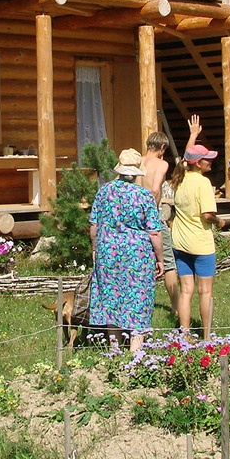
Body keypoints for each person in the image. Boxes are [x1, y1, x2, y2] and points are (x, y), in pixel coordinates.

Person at [89, 148, 166, 351]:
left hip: (108, 251)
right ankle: (136, 351)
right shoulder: (143, 196)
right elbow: (155, 232)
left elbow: (94, 225)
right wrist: (160, 258)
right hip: (137, 255)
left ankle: (115, 347)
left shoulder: (104, 191)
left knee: (111, 296)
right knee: (139, 297)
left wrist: (95, 249)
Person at [170, 116, 227, 340]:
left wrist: (193, 135)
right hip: (201, 245)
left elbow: (185, 158)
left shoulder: (179, 177)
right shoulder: (203, 183)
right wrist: (219, 222)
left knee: (186, 291)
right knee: (205, 292)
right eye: (206, 159)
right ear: (198, 163)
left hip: (180, 242)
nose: (210, 162)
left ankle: (184, 334)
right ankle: (206, 335)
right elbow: (207, 214)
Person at [140, 131, 180, 315]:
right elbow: (155, 188)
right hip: (151, 214)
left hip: (134, 215)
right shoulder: (162, 164)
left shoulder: (137, 161)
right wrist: (152, 211)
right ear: (162, 147)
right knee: (169, 262)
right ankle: (175, 305)